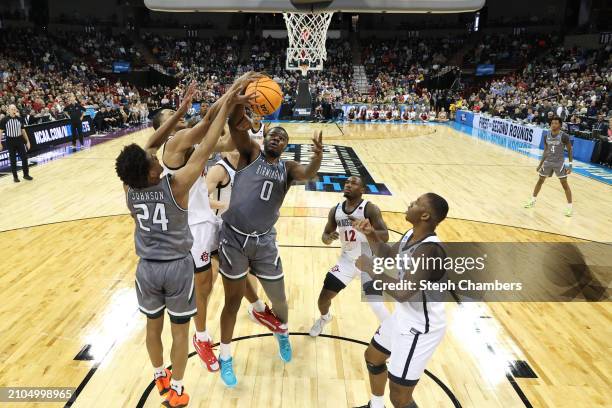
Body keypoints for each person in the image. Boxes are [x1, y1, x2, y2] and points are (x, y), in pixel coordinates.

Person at [114, 83, 239, 408]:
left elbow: (147, 148)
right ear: (151, 172)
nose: (156, 159)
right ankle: (179, 389)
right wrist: (228, 102)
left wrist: (181, 114)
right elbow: (208, 142)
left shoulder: (130, 190)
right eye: (152, 161)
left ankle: (159, 375)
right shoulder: (176, 186)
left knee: (152, 328)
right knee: (179, 332)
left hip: (146, 269)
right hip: (176, 267)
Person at [156, 72, 259, 373]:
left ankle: (258, 308)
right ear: (163, 128)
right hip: (193, 228)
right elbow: (207, 125)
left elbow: (223, 139)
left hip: (209, 221)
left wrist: (243, 122)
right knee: (204, 284)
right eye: (172, 117)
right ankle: (200, 337)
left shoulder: (191, 147)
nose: (178, 119)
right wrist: (234, 91)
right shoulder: (173, 146)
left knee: (235, 269)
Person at [217, 100, 324, 387]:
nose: (276, 138)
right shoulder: (250, 153)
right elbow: (234, 126)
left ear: (286, 145)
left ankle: (283, 334)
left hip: (264, 241)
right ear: (264, 138)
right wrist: (238, 103)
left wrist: (317, 156)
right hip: (234, 237)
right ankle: (225, 357)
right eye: (273, 135)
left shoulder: (288, 168)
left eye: (282, 137)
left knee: (279, 299)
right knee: (232, 301)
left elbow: (309, 174)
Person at [353, 193, 449, 408]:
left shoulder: (429, 250)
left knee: (399, 396)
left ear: (424, 215)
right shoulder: (410, 235)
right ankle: (376, 406)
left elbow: (403, 292)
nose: (410, 203)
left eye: (416, 203)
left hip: (420, 328)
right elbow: (387, 256)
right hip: (404, 316)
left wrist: (371, 269)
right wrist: (371, 235)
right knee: (373, 357)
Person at [309, 176, 390, 337]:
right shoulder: (336, 210)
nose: (348, 185)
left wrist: (368, 231)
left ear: (362, 190)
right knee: (323, 299)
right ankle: (325, 318)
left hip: (369, 262)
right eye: (346, 182)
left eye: (353, 183)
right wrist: (328, 238)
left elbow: (385, 236)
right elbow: (325, 236)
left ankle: (391, 334)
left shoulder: (370, 209)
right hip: (347, 261)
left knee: (377, 306)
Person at [524, 116, 574, 216]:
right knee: (540, 181)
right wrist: (540, 164)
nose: (553, 125)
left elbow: (569, 150)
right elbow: (546, 151)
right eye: (552, 123)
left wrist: (570, 165)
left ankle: (570, 207)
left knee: (564, 185)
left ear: (560, 125)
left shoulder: (564, 136)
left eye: (555, 123)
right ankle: (532, 200)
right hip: (548, 162)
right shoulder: (546, 135)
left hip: (559, 163)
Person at [0, 104, 32, 183]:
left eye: (15, 109)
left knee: (24, 158)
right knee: (13, 159)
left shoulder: (20, 119)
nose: (14, 110)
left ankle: (26, 175)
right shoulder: (4, 120)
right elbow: (0, 132)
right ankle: (15, 177)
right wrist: (0, 143)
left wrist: (27, 141)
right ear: (8, 110)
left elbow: (23, 131)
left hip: (19, 140)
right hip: (10, 141)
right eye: (12, 109)